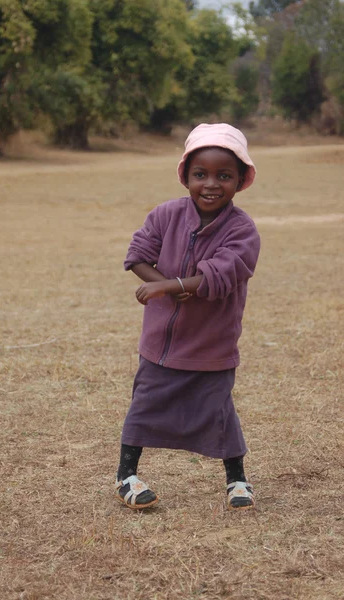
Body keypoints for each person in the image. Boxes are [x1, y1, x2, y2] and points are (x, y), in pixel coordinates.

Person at [115, 123, 261, 511]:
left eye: (223, 175)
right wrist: (166, 282)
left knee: (218, 411)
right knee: (144, 404)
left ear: (241, 179)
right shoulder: (165, 215)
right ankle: (125, 475)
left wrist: (167, 286)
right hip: (161, 342)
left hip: (212, 342)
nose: (211, 184)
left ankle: (237, 481)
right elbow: (138, 254)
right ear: (186, 176)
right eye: (201, 174)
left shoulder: (242, 230)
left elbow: (223, 272)